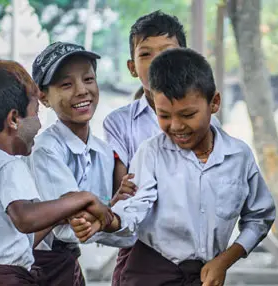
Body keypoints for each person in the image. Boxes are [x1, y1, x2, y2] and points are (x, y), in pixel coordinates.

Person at [71, 48, 276, 286]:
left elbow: (260, 217)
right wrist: (108, 220)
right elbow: (134, 207)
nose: (176, 126)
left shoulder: (238, 157)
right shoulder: (152, 153)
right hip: (148, 274)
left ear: (215, 103)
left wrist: (224, 260)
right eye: (164, 116)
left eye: (188, 114)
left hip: (204, 277)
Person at [0, 58, 116, 285]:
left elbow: (17, 239)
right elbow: (25, 218)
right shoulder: (8, 166)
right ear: (13, 119)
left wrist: (62, 213)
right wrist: (82, 198)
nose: (39, 125)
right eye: (35, 113)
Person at [102, 12, 220, 283]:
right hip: (140, 245)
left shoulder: (208, 119)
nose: (158, 62)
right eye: (146, 54)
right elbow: (127, 188)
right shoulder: (120, 123)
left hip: (196, 247)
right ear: (132, 67)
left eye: (167, 52)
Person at [27, 42, 132, 286]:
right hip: (38, 267)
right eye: (66, 84)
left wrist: (109, 209)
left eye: (88, 79)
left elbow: (106, 223)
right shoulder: (45, 150)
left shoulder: (103, 152)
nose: (82, 90)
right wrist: (109, 213)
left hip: (69, 264)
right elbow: (71, 228)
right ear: (43, 97)